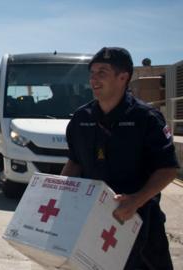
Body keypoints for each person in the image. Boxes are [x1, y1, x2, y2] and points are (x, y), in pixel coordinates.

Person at [62, 47, 178, 269]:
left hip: (140, 221)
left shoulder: (146, 118)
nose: (93, 79)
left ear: (123, 77)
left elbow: (167, 169)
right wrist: (61, 195)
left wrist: (136, 200)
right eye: (92, 73)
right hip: (92, 220)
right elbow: (74, 162)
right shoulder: (80, 119)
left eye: (102, 72)